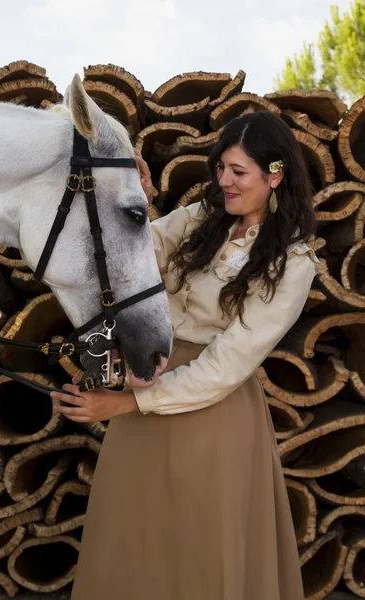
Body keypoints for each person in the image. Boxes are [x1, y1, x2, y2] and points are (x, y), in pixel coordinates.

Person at [51, 111, 318, 600]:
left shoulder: (292, 264)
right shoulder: (200, 218)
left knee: (199, 553)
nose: (224, 181)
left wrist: (127, 404)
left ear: (274, 174)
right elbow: (137, 257)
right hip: (147, 382)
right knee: (131, 541)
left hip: (211, 413)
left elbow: (227, 365)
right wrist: (138, 201)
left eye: (239, 172)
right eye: (221, 169)